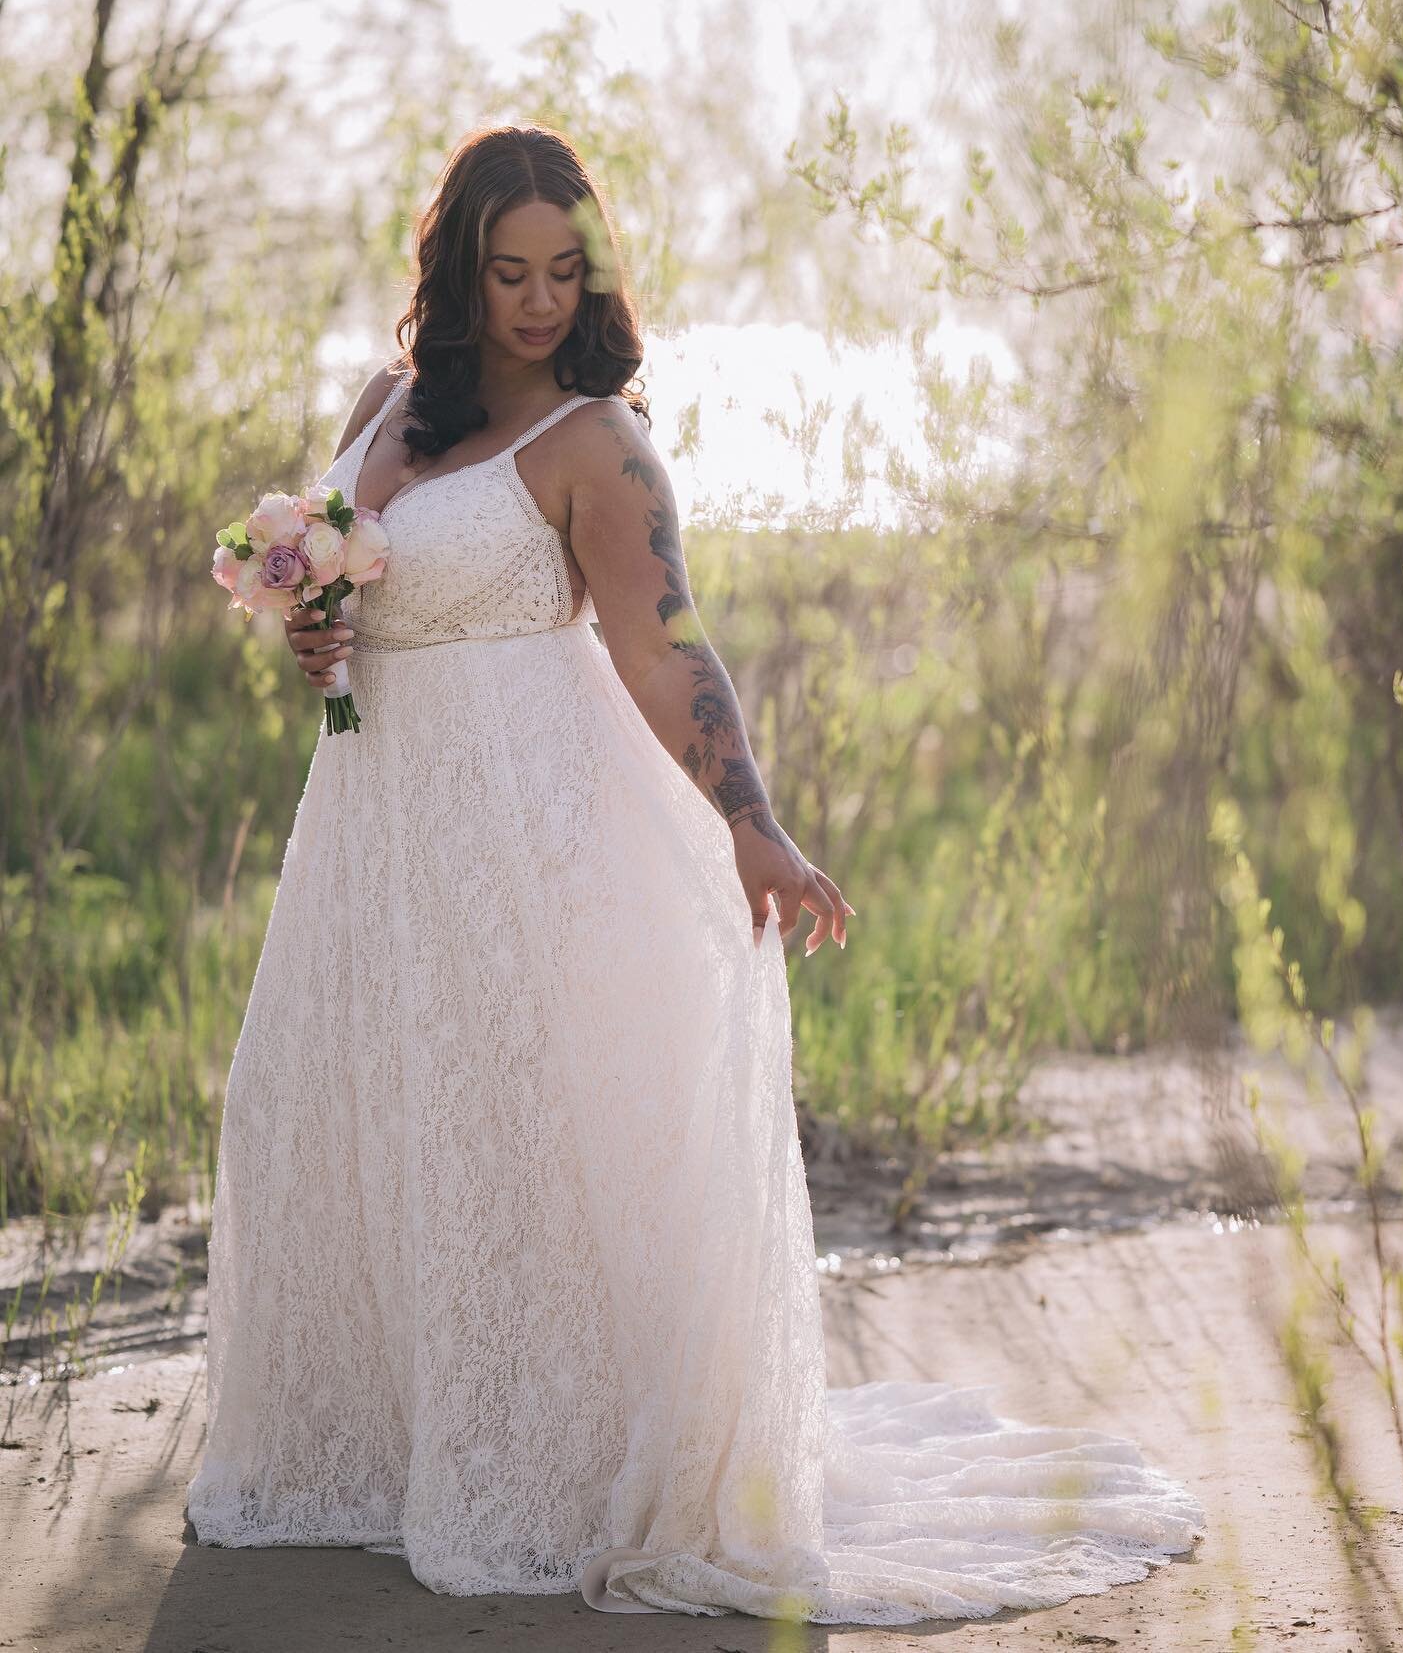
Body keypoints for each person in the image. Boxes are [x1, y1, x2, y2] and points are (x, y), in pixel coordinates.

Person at [186, 123, 1205, 1622]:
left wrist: (754, 819)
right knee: (342, 1106)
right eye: (508, 270)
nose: (539, 301)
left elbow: (667, 643)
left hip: (534, 829)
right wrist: (314, 631)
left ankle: (553, 1461)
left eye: (564, 270)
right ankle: (399, 1448)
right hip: (377, 823)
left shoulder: (596, 441)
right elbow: (347, 586)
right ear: (456, 272)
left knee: (518, 1130)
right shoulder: (386, 403)